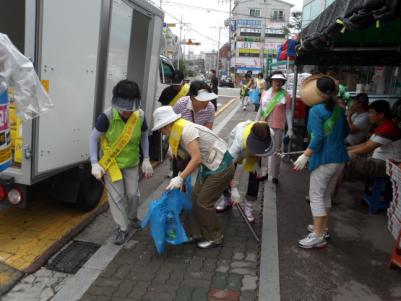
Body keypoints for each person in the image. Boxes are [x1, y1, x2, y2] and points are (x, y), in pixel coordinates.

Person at [152, 106, 235, 249]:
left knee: (204, 202)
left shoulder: (186, 130)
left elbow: (196, 159)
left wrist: (181, 178)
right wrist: (179, 174)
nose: (162, 132)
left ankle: (215, 237)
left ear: (169, 124)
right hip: (209, 166)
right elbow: (186, 158)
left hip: (222, 166)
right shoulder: (177, 131)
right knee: (194, 198)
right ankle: (196, 233)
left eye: (162, 128)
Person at [89, 80, 154, 245]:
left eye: (130, 109)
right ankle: (121, 228)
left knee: (133, 195)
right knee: (116, 197)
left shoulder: (139, 115)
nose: (127, 112)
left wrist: (146, 158)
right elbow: (93, 138)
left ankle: (132, 218)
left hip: (132, 162)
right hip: (112, 165)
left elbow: (145, 135)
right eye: (124, 109)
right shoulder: (107, 116)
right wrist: (94, 162)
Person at [293, 75, 349, 249]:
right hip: (339, 159)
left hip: (325, 160)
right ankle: (322, 228)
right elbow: (346, 132)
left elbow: (316, 139)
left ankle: (318, 236)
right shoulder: (339, 109)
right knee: (325, 195)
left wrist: (305, 155)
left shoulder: (316, 110)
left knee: (316, 196)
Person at [215, 120, 274, 222]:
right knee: (227, 173)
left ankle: (249, 206)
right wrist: (233, 188)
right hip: (239, 150)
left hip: (254, 156)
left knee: (255, 176)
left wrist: (256, 160)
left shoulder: (270, 134)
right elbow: (226, 165)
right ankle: (226, 198)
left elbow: (266, 149)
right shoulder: (239, 139)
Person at [171, 81, 216, 176]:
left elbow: (208, 131)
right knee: (178, 172)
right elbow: (172, 124)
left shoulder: (210, 108)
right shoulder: (181, 104)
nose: (207, 102)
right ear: (192, 98)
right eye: (203, 100)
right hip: (181, 145)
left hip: (197, 145)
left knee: (194, 175)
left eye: (208, 99)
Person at [256, 71, 293, 184]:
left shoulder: (286, 96)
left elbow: (288, 113)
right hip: (264, 126)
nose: (277, 82)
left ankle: (275, 175)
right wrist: (255, 122)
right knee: (264, 149)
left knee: (276, 151)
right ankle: (264, 172)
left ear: (283, 82)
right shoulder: (264, 94)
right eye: (275, 80)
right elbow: (261, 110)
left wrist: (290, 128)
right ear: (271, 81)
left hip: (278, 126)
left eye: (280, 81)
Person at [347, 100, 401, 177]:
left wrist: (345, 153)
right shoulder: (382, 126)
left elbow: (367, 148)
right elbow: (366, 144)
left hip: (385, 164)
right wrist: (345, 149)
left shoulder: (389, 127)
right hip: (377, 160)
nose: (369, 115)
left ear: (381, 115)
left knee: (349, 158)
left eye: (371, 112)